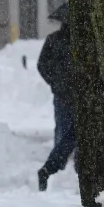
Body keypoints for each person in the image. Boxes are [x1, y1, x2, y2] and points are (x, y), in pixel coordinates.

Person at [36, 18, 76, 191]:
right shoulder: (78, 41)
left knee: (66, 133)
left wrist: (55, 82)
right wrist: (56, 82)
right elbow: (43, 65)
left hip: (64, 94)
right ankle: (53, 169)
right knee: (71, 134)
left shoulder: (54, 39)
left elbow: (42, 65)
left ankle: (54, 168)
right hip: (73, 95)